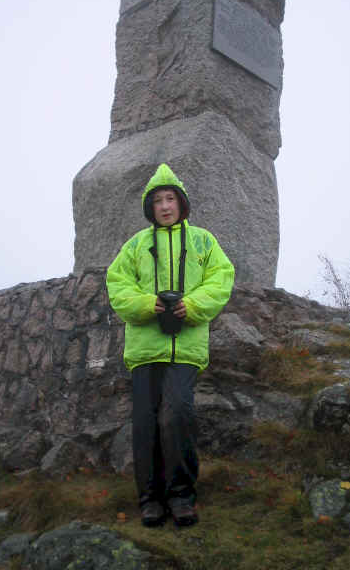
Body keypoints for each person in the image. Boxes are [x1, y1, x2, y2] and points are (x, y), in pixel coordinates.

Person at [106, 163, 235, 527]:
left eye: (170, 198)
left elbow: (221, 279)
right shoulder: (135, 245)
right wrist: (149, 305)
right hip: (145, 349)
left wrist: (190, 306)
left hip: (185, 348)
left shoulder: (203, 242)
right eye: (158, 200)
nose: (164, 206)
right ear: (150, 207)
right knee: (145, 423)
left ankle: (181, 497)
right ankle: (150, 499)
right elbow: (117, 285)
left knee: (176, 414)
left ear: (181, 203)